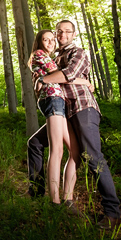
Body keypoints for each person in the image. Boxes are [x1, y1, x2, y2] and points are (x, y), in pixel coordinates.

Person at [37, 20, 121, 231]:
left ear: (74, 34)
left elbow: (68, 74)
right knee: (36, 143)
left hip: (83, 108)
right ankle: (49, 197)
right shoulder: (54, 58)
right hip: (63, 112)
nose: (62, 35)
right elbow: (48, 76)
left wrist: (44, 79)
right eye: (59, 31)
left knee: (93, 156)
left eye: (67, 31)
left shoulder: (78, 52)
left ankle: (112, 212)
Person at [30, 29, 87, 209]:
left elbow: (55, 75)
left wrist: (42, 79)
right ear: (39, 42)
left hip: (59, 101)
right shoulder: (39, 54)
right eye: (45, 40)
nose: (50, 42)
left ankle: (68, 199)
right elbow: (62, 75)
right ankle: (54, 202)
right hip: (52, 99)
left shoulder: (50, 58)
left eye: (52, 40)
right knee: (57, 150)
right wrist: (85, 82)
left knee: (75, 152)